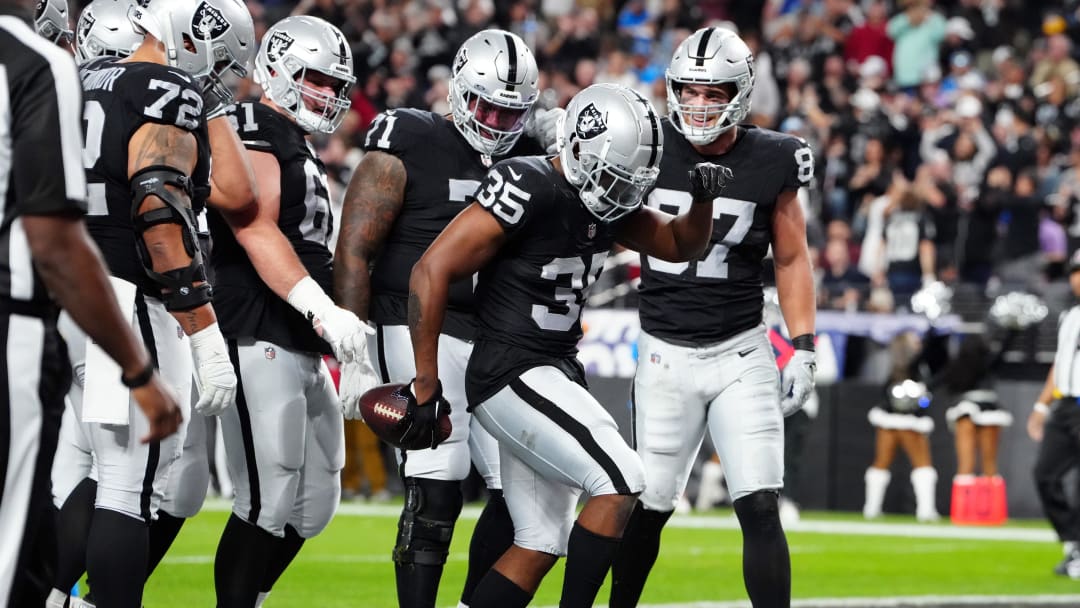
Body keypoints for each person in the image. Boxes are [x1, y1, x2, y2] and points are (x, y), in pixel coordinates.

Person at [409, 82, 726, 608]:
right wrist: (425, 383)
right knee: (621, 478)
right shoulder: (528, 182)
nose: (619, 192)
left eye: (630, 182)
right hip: (511, 367)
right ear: (578, 148)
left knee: (539, 542)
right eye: (612, 176)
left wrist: (703, 202)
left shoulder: (603, 197)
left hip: (551, 367)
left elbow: (677, 243)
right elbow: (430, 269)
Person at [334, 29, 555, 608]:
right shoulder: (411, 136)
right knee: (439, 473)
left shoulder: (530, 151)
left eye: (509, 111)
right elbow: (355, 247)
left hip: (492, 335)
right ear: (457, 90)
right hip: (414, 323)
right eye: (483, 103)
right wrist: (353, 352)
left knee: (521, 490)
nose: (493, 120)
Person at [608, 26, 817, 608]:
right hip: (663, 351)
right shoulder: (643, 144)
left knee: (758, 501)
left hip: (740, 349)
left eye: (715, 92)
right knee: (648, 505)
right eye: (690, 91)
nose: (699, 104)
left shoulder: (775, 156)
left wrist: (802, 344)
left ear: (741, 94)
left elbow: (793, 256)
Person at [67, 0, 264, 603]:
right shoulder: (165, 85)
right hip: (126, 299)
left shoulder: (80, 79)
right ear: (193, 38)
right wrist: (204, 332)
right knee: (131, 485)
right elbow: (158, 206)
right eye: (221, 62)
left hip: (64, 294)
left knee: (75, 472)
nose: (222, 80)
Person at [0, 1, 180, 605]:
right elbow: (56, 241)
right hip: (21, 322)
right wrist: (138, 368)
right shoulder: (40, 64)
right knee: (119, 487)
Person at [209, 15, 378, 607]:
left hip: (299, 333)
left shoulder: (297, 142)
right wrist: (320, 308)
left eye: (335, 85)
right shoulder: (255, 123)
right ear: (276, 69)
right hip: (256, 323)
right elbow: (251, 223)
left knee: (314, 500)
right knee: (266, 494)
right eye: (315, 80)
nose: (327, 95)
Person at [1029, 250, 1080, 578]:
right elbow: (1060, 364)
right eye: (1074, 271)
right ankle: (1073, 541)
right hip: (1066, 405)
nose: (1076, 277)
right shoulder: (1071, 316)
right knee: (1045, 475)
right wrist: (1040, 405)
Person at [863, 331, 939, 522]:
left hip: (888, 419)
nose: (918, 343)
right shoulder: (911, 365)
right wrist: (934, 329)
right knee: (922, 464)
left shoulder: (894, 366)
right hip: (909, 421)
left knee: (881, 463)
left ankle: (871, 508)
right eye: (914, 341)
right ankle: (925, 509)